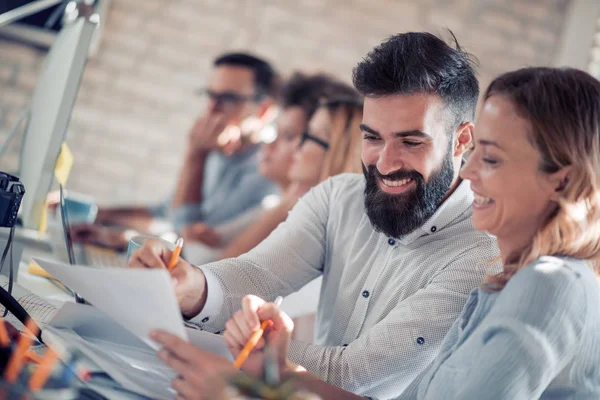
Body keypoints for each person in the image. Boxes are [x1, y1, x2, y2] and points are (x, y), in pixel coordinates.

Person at [151, 67, 600, 400]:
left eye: (493, 159)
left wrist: (245, 391)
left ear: (560, 180)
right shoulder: (515, 278)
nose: (471, 173)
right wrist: (273, 376)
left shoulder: (549, 285)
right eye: (478, 154)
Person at [129, 32, 500, 398]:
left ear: (462, 139)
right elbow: (257, 274)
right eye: (372, 138)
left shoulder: (480, 255)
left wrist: (257, 348)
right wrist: (191, 287)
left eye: (410, 142)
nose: (385, 164)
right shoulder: (337, 197)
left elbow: (353, 376)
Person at [70, 52, 280, 248]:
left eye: (229, 99)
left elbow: (190, 237)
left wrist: (195, 155)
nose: (211, 109)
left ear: (264, 110)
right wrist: (93, 213)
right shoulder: (219, 150)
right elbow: (165, 212)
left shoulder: (267, 174)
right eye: (210, 95)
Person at [181, 75, 362, 262]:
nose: (297, 147)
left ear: (336, 152)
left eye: (289, 135)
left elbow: (213, 272)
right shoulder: (270, 207)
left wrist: (195, 154)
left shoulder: (313, 230)